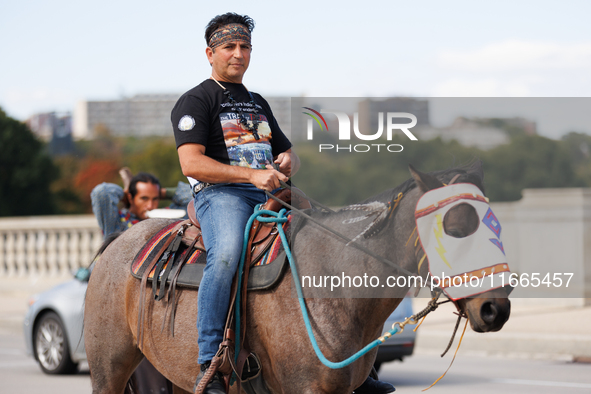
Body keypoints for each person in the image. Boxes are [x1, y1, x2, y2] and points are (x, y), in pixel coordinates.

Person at [171, 12, 394, 394]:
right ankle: (210, 363)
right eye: (229, 47)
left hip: (272, 194)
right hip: (221, 195)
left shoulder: (256, 102)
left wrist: (290, 161)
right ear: (210, 53)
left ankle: (360, 369)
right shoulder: (196, 99)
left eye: (245, 47)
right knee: (226, 254)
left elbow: (287, 152)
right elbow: (191, 162)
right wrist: (251, 175)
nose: (238, 54)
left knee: (337, 244)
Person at [90, 169, 192, 394]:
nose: (150, 204)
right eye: (144, 198)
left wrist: (164, 191)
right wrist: (126, 190)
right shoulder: (117, 223)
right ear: (131, 199)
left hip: (152, 303)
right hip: (116, 306)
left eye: (155, 198)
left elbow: (193, 196)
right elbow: (102, 193)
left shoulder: (166, 220)